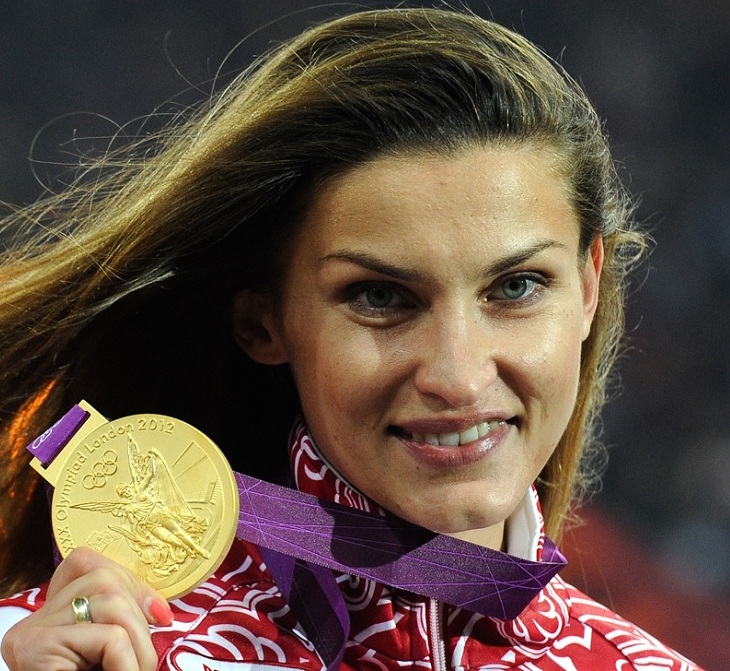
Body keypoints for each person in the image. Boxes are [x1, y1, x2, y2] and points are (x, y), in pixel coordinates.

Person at [0, 7, 702, 670]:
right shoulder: (63, 648)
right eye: (380, 297)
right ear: (262, 322)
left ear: (588, 285)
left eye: (516, 286)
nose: (458, 377)